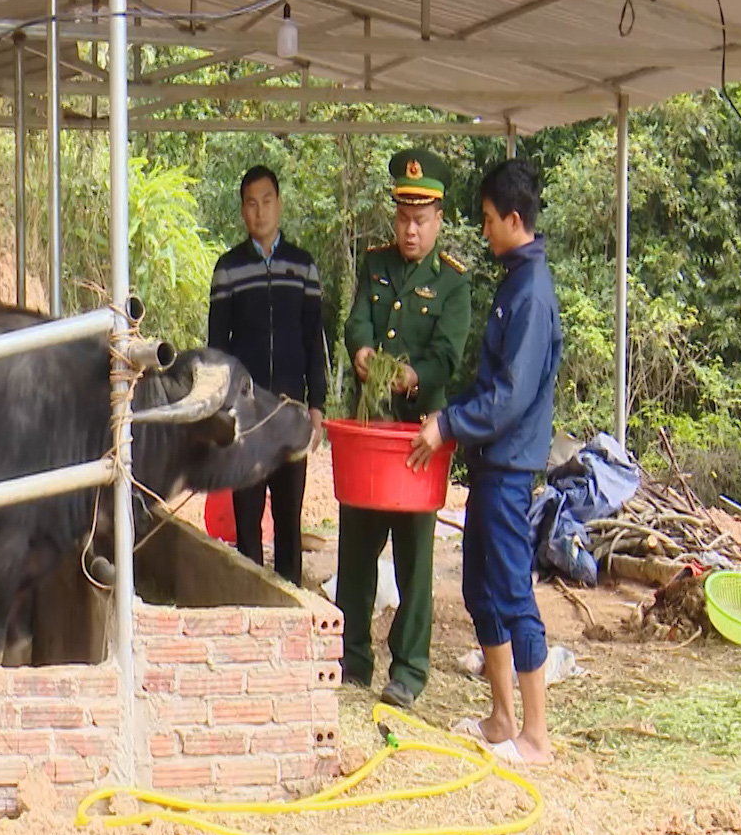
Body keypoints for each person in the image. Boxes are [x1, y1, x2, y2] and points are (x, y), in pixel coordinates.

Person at [408, 156, 563, 767]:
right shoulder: (513, 281)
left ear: (515, 219)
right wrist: (449, 418)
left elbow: (510, 397)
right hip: (490, 463)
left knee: (511, 589)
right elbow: (486, 382)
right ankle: (501, 716)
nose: (484, 229)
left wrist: (447, 423)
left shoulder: (531, 294)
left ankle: (536, 736)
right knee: (478, 586)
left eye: (490, 219)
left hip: (510, 464)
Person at [337, 148, 472, 710]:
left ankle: (409, 671)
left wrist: (413, 377)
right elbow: (356, 323)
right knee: (356, 549)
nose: (410, 229)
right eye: (402, 217)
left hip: (420, 436)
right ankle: (351, 659)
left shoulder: (453, 283)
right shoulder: (375, 265)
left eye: (420, 219)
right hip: (372, 430)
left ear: (439, 219)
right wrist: (364, 352)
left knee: (415, 558)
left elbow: (448, 356)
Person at [207, 165, 327, 586]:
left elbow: (315, 342)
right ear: (242, 210)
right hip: (248, 418)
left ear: (279, 203)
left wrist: (317, 406)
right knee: (247, 517)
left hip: (292, 413)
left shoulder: (304, 267)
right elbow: (217, 348)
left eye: (267, 201)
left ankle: (290, 598)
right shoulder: (228, 269)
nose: (259, 211)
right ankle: (251, 600)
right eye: (251, 204)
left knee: (289, 518)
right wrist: (224, 408)